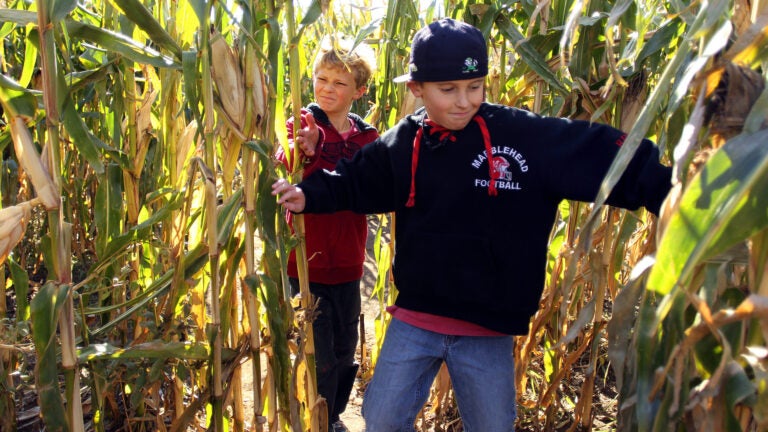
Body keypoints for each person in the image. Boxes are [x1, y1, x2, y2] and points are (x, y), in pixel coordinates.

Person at [273, 18, 672, 432]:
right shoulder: (406, 141)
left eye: (475, 87)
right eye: (448, 90)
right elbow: (357, 180)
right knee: (382, 418)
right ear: (417, 89)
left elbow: (597, 153)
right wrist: (310, 195)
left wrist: (667, 189)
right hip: (417, 316)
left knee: (492, 425)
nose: (464, 101)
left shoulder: (522, 137)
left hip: (487, 325)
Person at [274, 35, 378, 432]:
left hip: (349, 264)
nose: (327, 89)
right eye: (321, 79)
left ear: (359, 90)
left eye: (339, 82)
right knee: (317, 354)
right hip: (305, 263)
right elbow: (287, 162)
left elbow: (369, 184)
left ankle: (331, 416)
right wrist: (309, 149)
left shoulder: (366, 137)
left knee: (344, 349)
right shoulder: (302, 124)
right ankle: (313, 418)